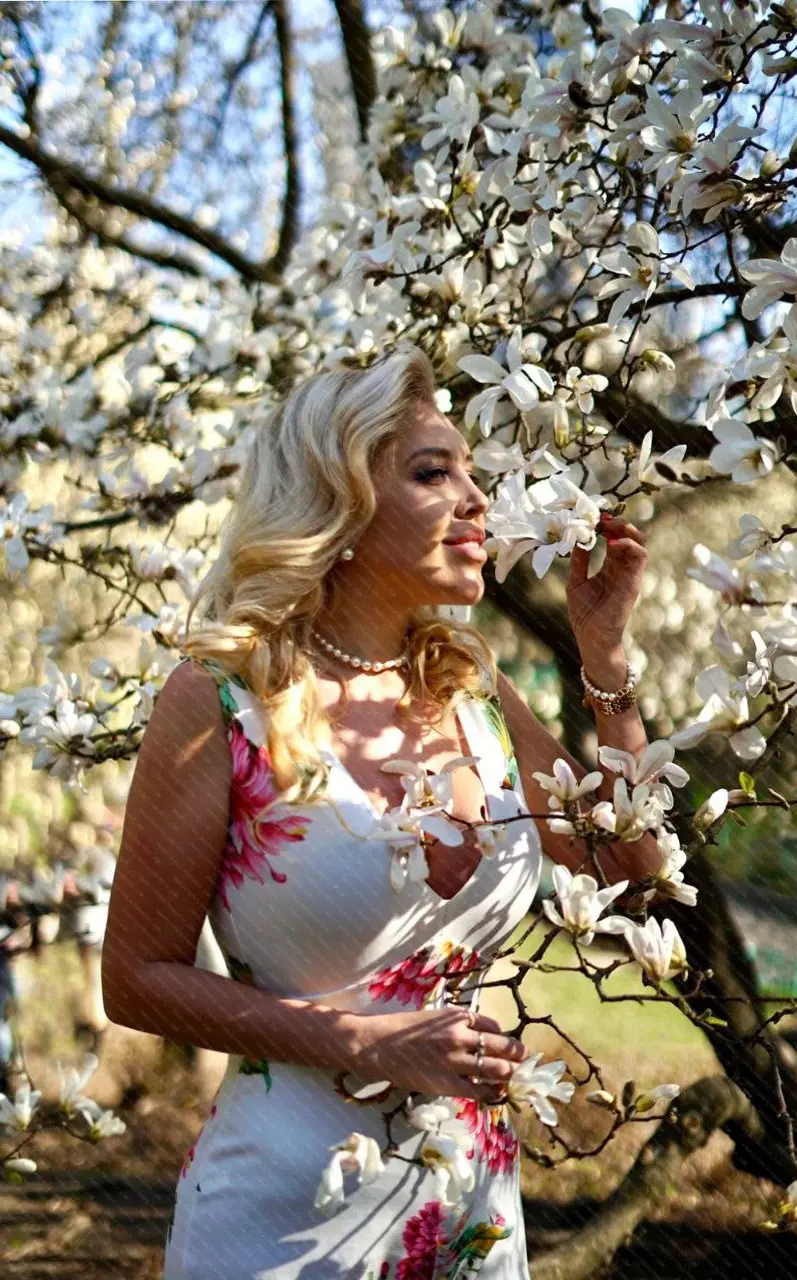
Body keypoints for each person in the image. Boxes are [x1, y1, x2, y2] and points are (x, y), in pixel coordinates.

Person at [101, 343, 662, 1279]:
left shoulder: (472, 689)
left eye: (471, 472)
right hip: (280, 1220)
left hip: (471, 1212)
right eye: (433, 473)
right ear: (342, 505)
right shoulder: (219, 703)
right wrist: (362, 1040)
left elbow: (628, 870)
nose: (477, 499)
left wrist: (604, 660)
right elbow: (134, 979)